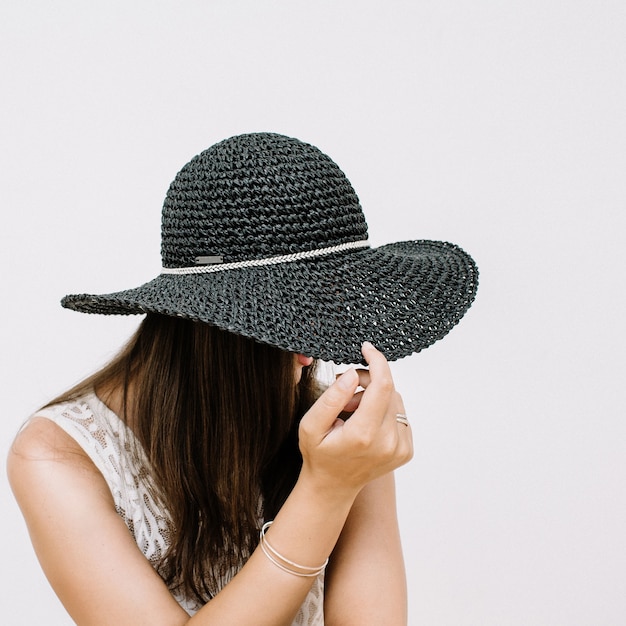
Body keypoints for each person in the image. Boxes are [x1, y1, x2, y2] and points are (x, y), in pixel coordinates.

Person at [8, 132, 478, 625]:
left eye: (327, 314)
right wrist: (326, 489)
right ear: (209, 321)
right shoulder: (60, 456)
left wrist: (352, 473)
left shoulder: (341, 433)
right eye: (287, 320)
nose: (313, 352)